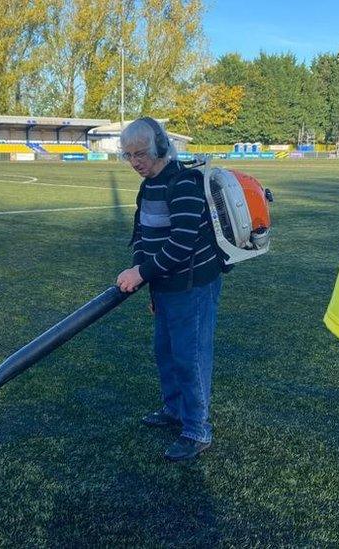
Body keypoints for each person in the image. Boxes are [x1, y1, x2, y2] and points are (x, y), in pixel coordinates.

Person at [115, 117, 222, 462]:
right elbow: (142, 237)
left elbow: (181, 245)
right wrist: (144, 280)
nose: (135, 162)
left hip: (192, 286)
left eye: (140, 154)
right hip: (164, 287)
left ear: (160, 147)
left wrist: (142, 274)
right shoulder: (148, 187)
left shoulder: (184, 182)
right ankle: (174, 410)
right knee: (166, 353)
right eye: (128, 156)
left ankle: (197, 429)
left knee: (190, 358)